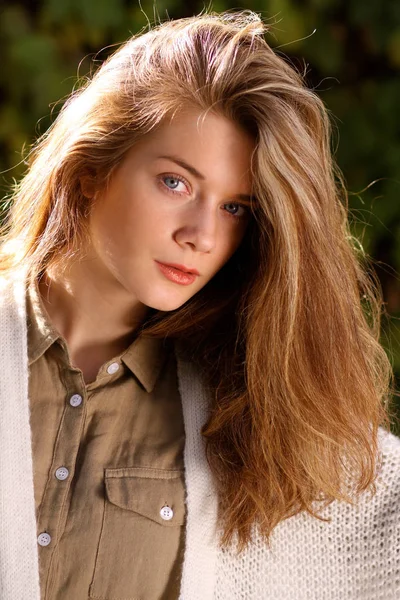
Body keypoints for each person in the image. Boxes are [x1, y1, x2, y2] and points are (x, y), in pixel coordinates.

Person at [0, 9, 399, 600]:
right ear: (90, 171)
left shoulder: (253, 412)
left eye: (234, 208)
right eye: (176, 183)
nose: (202, 236)